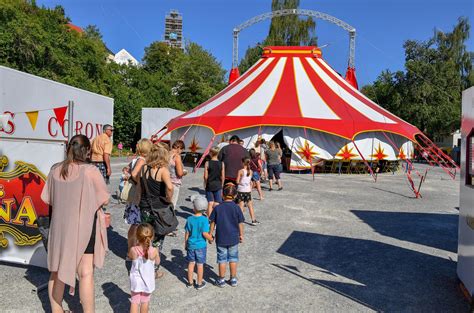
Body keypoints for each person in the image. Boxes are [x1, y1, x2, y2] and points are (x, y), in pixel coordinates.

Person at [41, 135, 109, 313]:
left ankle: (56, 310)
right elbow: (104, 199)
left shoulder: (55, 169)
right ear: (87, 150)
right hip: (85, 227)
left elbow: (47, 198)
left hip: (60, 228)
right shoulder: (90, 171)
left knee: (56, 270)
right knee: (86, 272)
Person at [139, 144, 174, 279]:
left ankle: (143, 264)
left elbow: (140, 188)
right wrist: (168, 199)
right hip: (158, 208)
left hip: (145, 207)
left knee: (146, 236)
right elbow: (170, 187)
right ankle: (153, 270)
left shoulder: (144, 168)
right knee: (157, 241)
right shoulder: (163, 170)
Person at [209, 183, 245, 287]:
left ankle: (221, 280)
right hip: (234, 238)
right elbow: (240, 223)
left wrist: (211, 234)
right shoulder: (237, 208)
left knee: (222, 259)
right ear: (235, 196)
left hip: (221, 238)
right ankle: (233, 279)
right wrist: (241, 235)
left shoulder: (218, 208)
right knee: (233, 258)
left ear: (222, 195)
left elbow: (212, 222)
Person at [124, 139, 153, 253]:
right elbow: (134, 174)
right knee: (136, 224)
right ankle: (132, 249)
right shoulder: (142, 160)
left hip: (134, 195)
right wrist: (140, 182)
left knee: (135, 224)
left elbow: (127, 170)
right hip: (138, 195)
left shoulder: (136, 159)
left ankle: (131, 247)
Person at [185, 195, 213, 290]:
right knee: (200, 265)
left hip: (191, 245)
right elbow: (205, 233)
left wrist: (186, 244)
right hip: (201, 246)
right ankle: (199, 283)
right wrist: (211, 238)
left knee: (191, 263)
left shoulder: (189, 219)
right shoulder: (204, 220)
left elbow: (187, 233)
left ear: (194, 208)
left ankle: (189, 282)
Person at [129, 223, 158, 313]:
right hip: (148, 280)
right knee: (145, 301)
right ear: (152, 237)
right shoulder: (154, 251)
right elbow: (157, 262)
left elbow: (130, 257)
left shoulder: (133, 250)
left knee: (134, 301)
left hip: (136, 280)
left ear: (137, 236)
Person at [169, 140, 187, 236]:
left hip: (165, 181)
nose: (181, 152)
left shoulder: (166, 154)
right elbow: (179, 173)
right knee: (172, 205)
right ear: (179, 148)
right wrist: (184, 172)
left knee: (166, 204)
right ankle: (168, 227)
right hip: (174, 183)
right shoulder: (177, 156)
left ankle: (166, 225)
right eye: (181, 149)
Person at [236, 157, 259, 225]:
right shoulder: (251, 171)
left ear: (243, 163)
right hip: (248, 190)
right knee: (250, 205)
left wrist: (241, 182)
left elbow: (237, 181)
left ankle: (239, 220)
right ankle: (253, 220)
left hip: (241, 190)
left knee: (241, 206)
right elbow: (251, 182)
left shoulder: (240, 171)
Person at [203, 146, 225, 216]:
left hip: (209, 184)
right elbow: (223, 176)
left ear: (211, 153)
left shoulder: (207, 163)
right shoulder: (222, 163)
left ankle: (209, 219)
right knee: (217, 203)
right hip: (218, 184)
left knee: (210, 203)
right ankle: (216, 218)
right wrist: (222, 185)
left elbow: (205, 176)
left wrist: (205, 183)